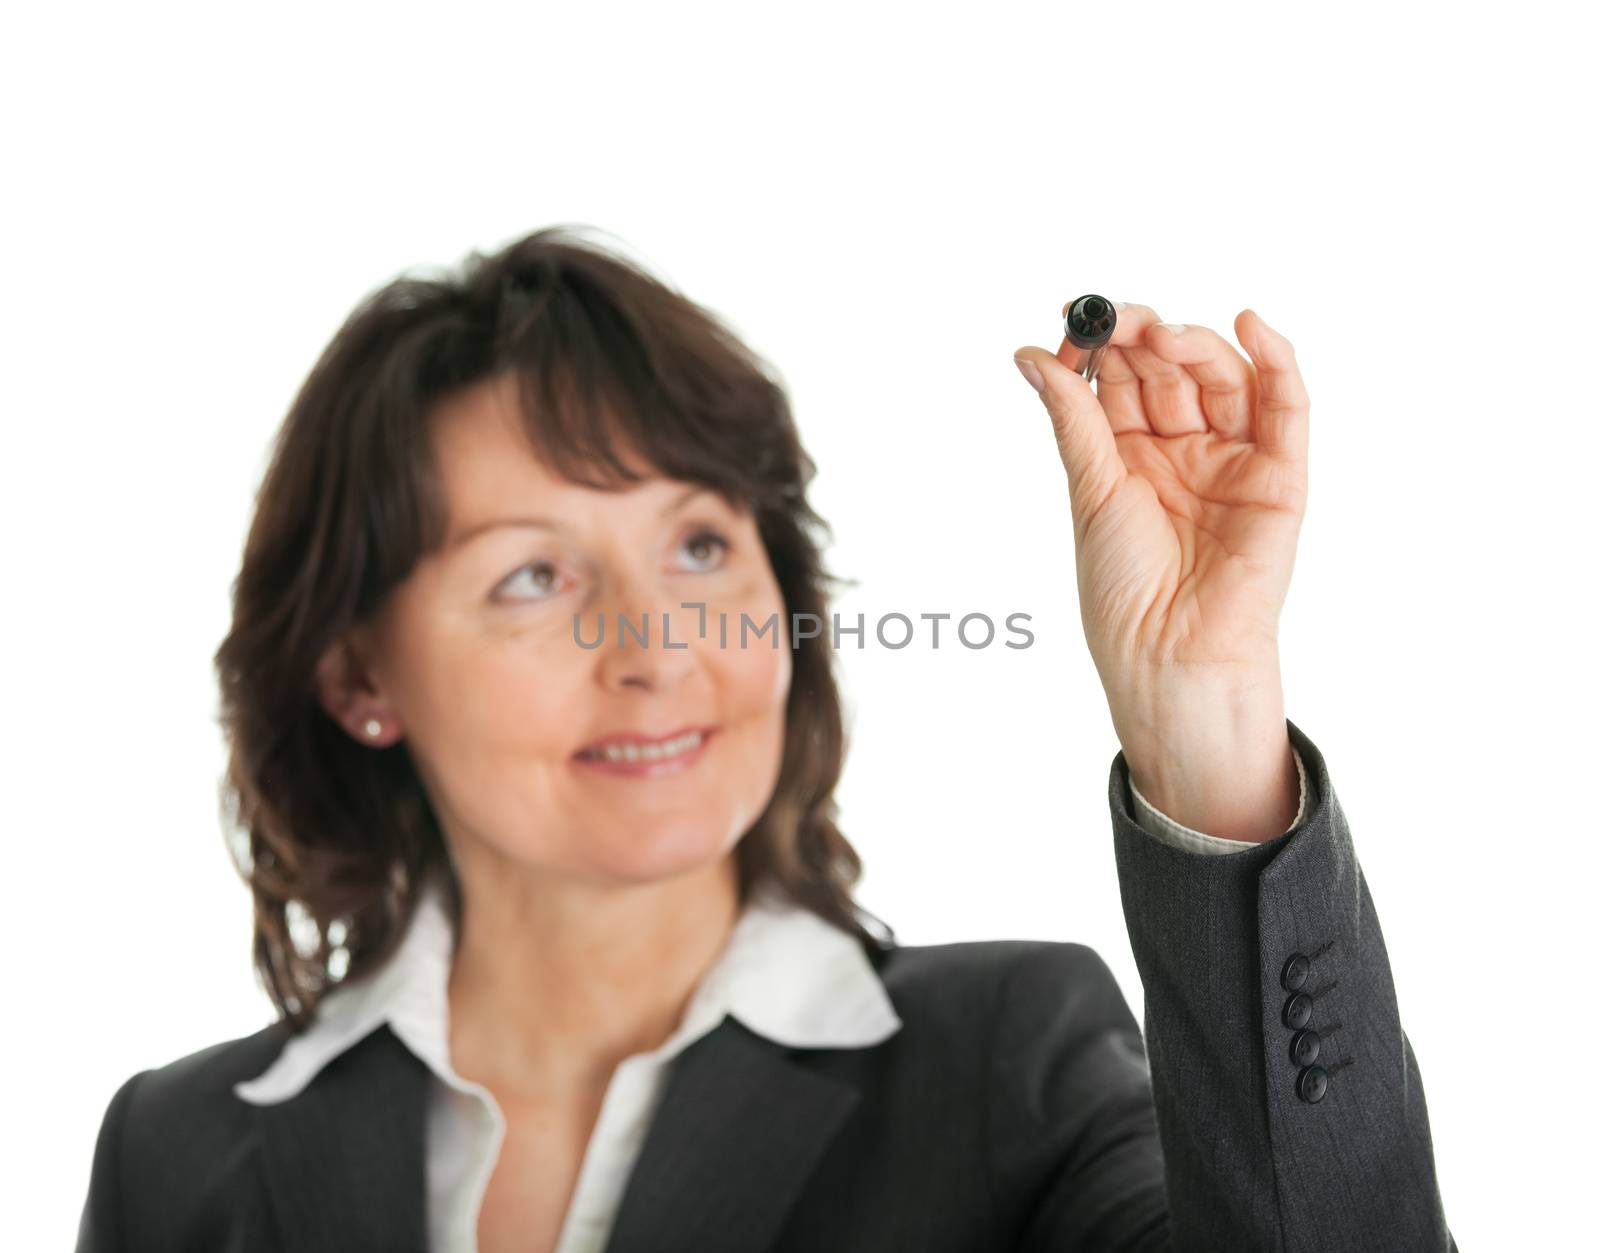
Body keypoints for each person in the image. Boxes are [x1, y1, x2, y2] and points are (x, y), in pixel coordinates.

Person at [74, 225, 1457, 1252]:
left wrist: (1204, 713)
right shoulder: (178, 1156)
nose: (658, 646)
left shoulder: (998, 1062)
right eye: (532, 576)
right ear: (358, 673)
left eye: (696, 544)